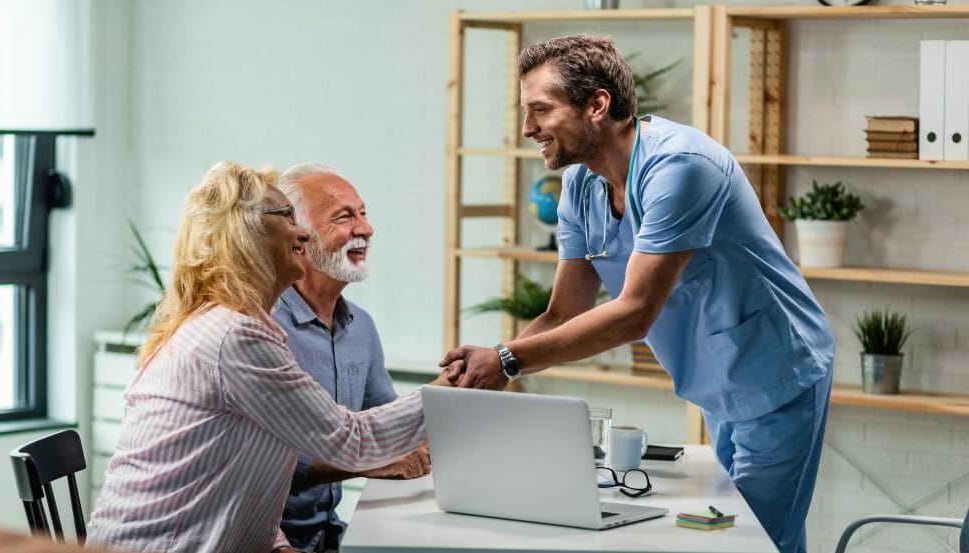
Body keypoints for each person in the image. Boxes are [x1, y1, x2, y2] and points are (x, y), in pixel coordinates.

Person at [439, 34, 834, 553]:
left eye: (540, 109)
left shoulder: (680, 167)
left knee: (750, 544)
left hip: (778, 374)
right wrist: (472, 378)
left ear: (597, 105)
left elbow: (633, 314)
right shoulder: (581, 188)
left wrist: (508, 360)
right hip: (718, 383)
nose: (527, 128)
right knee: (754, 536)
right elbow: (562, 314)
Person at [86, 161, 427, 553]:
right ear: (244, 233)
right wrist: (467, 382)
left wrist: (277, 545)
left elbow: (239, 482)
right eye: (287, 216)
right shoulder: (235, 337)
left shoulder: (236, 328)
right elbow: (352, 440)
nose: (302, 233)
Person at [273, 163, 430, 553]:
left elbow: (392, 424)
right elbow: (266, 462)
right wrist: (369, 462)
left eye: (363, 213)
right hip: (262, 540)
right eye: (345, 217)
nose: (366, 229)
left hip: (329, 536)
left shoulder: (361, 327)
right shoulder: (262, 329)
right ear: (299, 237)